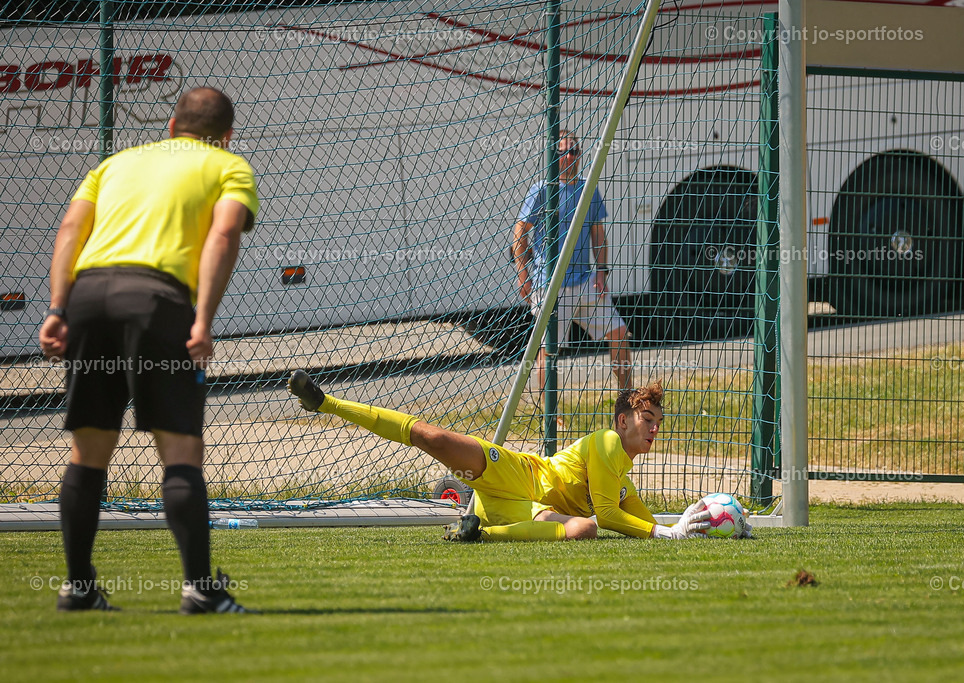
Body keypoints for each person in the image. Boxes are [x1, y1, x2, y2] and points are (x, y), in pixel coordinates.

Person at [38, 87, 258, 613]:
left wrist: (57, 308)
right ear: (227, 135)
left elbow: (70, 229)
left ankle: (78, 588)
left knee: (88, 451)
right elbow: (224, 235)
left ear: (171, 125)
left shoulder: (114, 164)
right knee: (180, 451)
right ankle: (200, 591)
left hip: (88, 298)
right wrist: (203, 319)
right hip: (157, 301)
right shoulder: (229, 166)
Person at [287, 370, 733, 542]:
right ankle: (326, 402)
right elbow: (614, 516)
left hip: (521, 511)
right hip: (516, 474)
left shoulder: (623, 478)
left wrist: (700, 523)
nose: (654, 428)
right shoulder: (607, 443)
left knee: (582, 530)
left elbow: (646, 522)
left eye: (658, 422)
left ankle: (477, 532)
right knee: (430, 436)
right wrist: (665, 532)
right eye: (647, 419)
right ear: (622, 422)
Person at [512, 129, 633, 391]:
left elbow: (598, 234)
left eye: (574, 151)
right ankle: (548, 410)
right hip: (550, 286)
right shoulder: (542, 190)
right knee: (549, 350)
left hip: (586, 282)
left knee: (620, 334)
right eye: (564, 152)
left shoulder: (588, 188)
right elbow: (519, 234)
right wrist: (524, 277)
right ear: (553, 157)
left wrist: (601, 272)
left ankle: (627, 400)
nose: (570, 156)